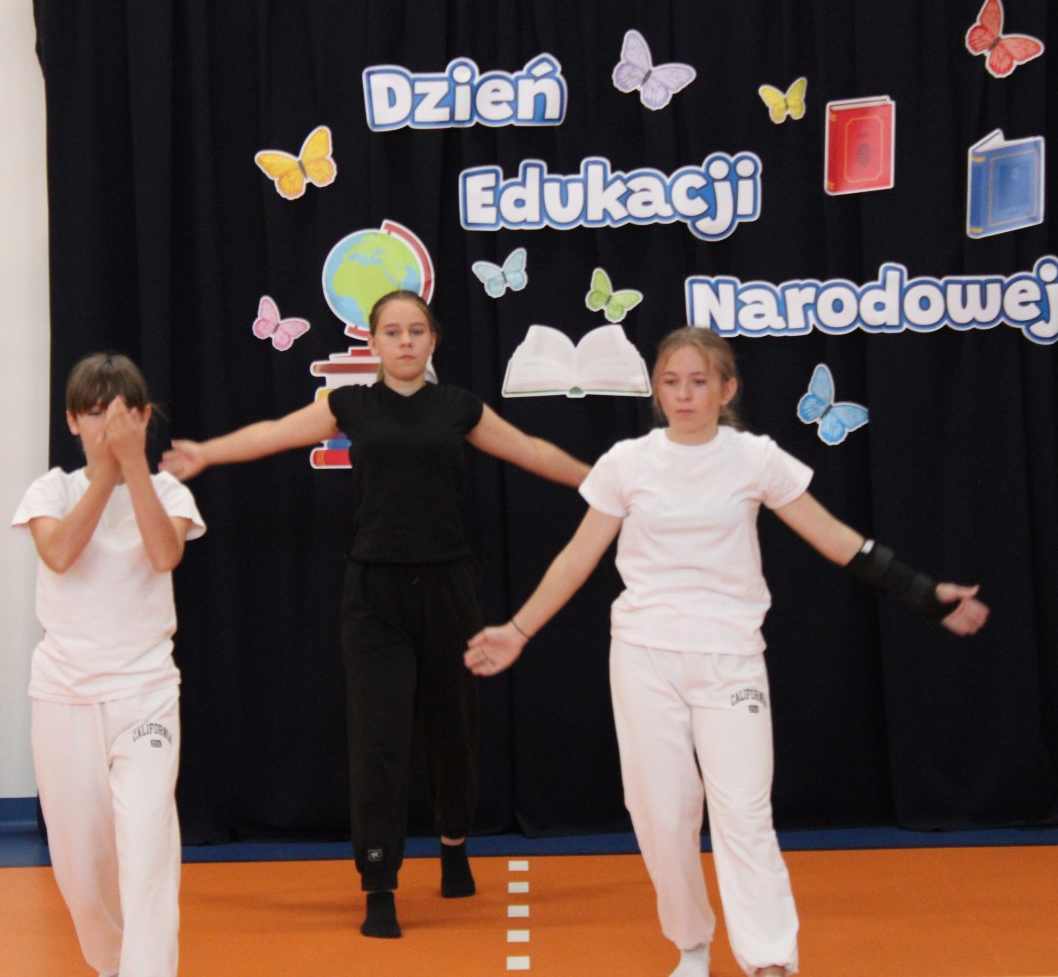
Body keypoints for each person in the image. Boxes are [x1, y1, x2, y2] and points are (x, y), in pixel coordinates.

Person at [465, 326, 988, 977]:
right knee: (661, 815)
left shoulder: (755, 458)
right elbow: (576, 558)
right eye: (671, 382)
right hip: (644, 656)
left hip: (731, 657)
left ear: (726, 389)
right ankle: (691, 944)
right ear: (657, 391)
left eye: (698, 382)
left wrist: (925, 594)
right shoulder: (627, 462)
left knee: (743, 811)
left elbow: (835, 538)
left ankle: (770, 959)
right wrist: (517, 629)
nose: (684, 395)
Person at [162, 290, 589, 938]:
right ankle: (380, 883)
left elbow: (530, 449)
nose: (406, 341)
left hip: (448, 587)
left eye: (416, 330)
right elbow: (273, 434)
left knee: (452, 730)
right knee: (378, 739)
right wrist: (206, 453)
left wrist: (600, 480)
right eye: (393, 331)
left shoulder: (458, 407)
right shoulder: (349, 404)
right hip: (374, 594)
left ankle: (453, 844)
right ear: (373, 342)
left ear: (432, 340)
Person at [12, 352, 206, 977]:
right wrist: (107, 471)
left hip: (145, 692)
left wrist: (133, 468)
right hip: (64, 695)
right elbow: (60, 553)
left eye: (121, 415)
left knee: (148, 849)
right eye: (93, 414)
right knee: (81, 868)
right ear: (73, 421)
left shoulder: (168, 492)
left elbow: (164, 554)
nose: (106, 426)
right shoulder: (51, 490)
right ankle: (114, 965)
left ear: (145, 418)